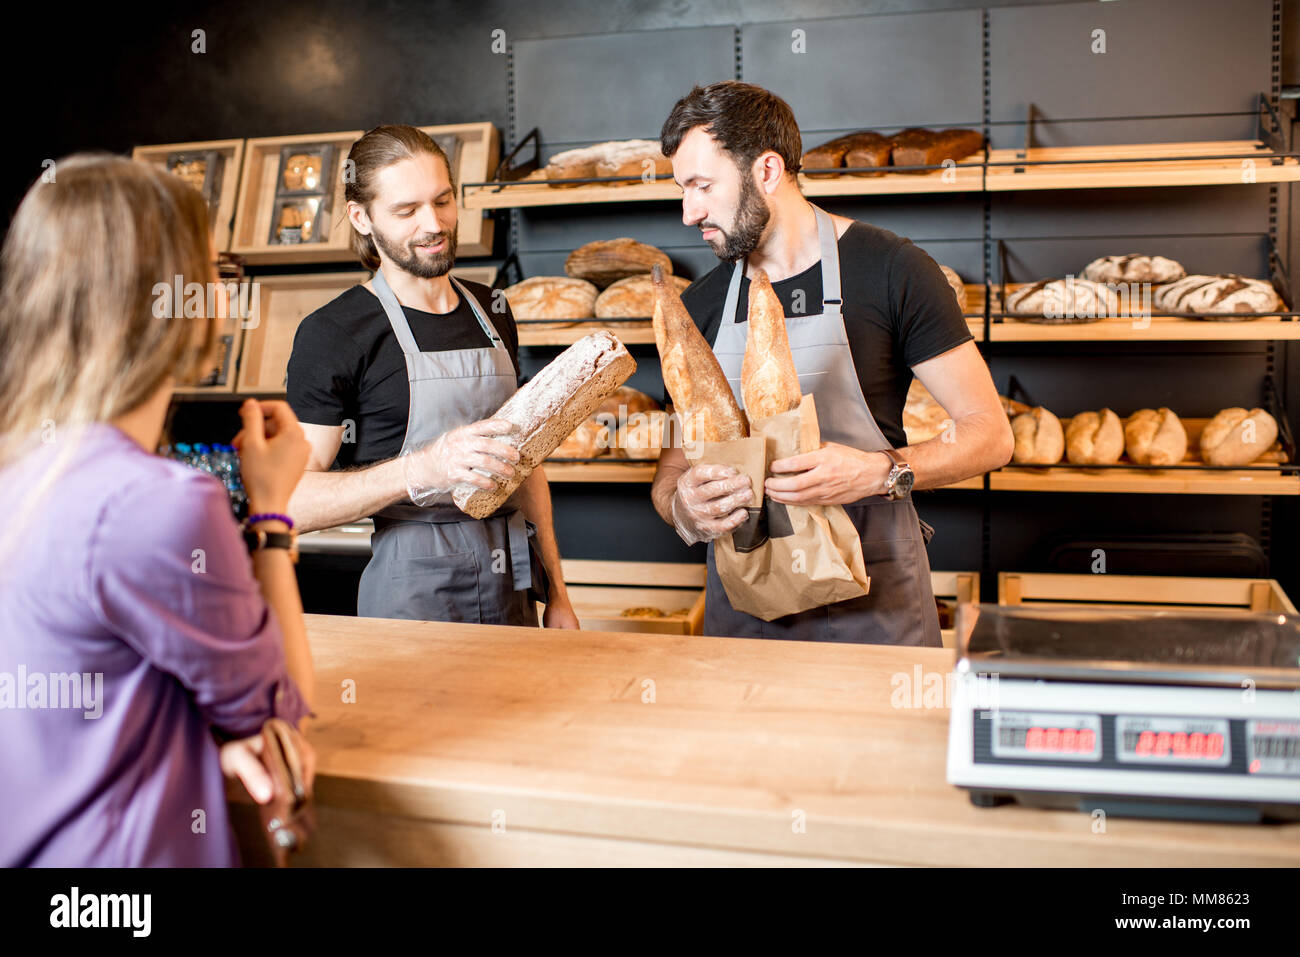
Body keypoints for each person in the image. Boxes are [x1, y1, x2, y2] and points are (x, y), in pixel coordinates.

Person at [0, 153, 315, 866]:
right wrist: (271, 514)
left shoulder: (23, 470)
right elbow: (281, 706)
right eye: (213, 274)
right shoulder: (158, 503)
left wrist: (193, 735)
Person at [651, 82, 1014, 645]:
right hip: (747, 606)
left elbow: (990, 436)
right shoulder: (700, 305)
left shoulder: (893, 270)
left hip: (871, 600)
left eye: (701, 186)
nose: (687, 212)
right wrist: (685, 509)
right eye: (682, 189)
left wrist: (877, 471)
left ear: (766, 171)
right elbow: (671, 474)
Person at [286, 125, 578, 628]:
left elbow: (524, 464)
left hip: (513, 583)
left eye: (443, 201)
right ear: (362, 217)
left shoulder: (492, 309)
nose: (434, 224)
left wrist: (559, 595)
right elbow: (289, 502)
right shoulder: (334, 332)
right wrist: (423, 469)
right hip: (414, 598)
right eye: (407, 211)